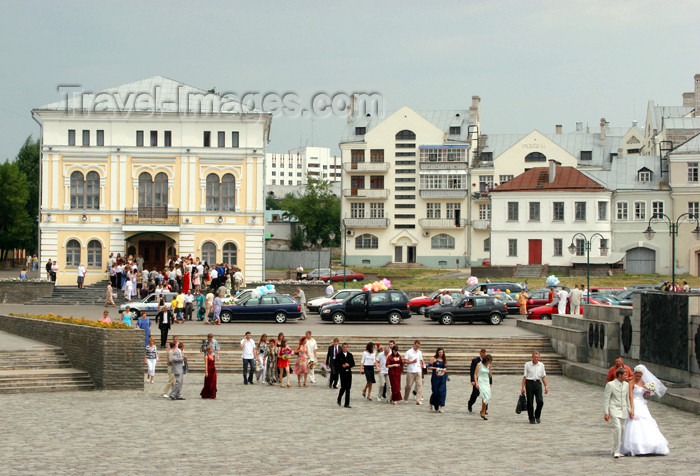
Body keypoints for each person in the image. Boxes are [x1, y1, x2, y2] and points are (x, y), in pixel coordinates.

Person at [620, 365, 669, 456]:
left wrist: (647, 392)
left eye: (640, 376)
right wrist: (632, 409)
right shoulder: (631, 383)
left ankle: (651, 445)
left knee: (647, 422)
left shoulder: (643, 383)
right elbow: (630, 396)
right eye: (637, 376)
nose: (638, 378)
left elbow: (642, 395)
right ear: (634, 374)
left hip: (642, 404)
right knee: (634, 423)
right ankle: (635, 446)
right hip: (634, 403)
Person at [604, 367, 632, 458]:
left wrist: (630, 410)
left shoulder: (627, 385)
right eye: (625, 375)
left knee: (623, 430)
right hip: (614, 409)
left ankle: (618, 448)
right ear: (619, 375)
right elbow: (606, 399)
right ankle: (616, 451)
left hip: (623, 410)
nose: (627, 376)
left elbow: (627, 399)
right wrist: (606, 412)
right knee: (618, 428)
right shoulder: (610, 385)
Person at [522, 351, 549, 424]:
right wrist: (523, 387)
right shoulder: (527, 365)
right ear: (532, 357)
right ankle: (531, 418)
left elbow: (543, 376)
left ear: (539, 357)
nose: (536, 359)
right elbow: (525, 376)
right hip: (529, 383)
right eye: (534, 357)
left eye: (537, 357)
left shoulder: (541, 365)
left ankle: (537, 415)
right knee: (530, 402)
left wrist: (546, 386)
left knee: (540, 401)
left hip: (537, 383)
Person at [427, 348, 448, 413]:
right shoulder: (434, 358)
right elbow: (428, 366)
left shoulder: (444, 359)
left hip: (442, 377)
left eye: (442, 352)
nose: (441, 354)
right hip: (435, 377)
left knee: (441, 391)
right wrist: (436, 368)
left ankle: (440, 406)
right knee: (435, 391)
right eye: (439, 352)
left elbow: (445, 367)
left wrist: (444, 369)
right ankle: (431, 403)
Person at [403, 340, 424, 405]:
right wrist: (412, 361)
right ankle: (406, 397)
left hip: (418, 370)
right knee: (408, 386)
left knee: (419, 386)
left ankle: (418, 400)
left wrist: (421, 370)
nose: (417, 347)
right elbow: (405, 361)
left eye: (419, 346)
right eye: (416, 346)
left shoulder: (420, 352)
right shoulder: (409, 352)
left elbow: (421, 361)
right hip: (411, 371)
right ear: (414, 345)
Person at [335, 343, 355, 408]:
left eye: (346, 347)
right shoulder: (339, 355)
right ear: (342, 347)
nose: (345, 348)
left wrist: (349, 365)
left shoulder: (350, 355)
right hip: (342, 372)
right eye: (344, 347)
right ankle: (339, 397)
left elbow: (353, 363)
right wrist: (342, 366)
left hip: (348, 372)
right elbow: (336, 364)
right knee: (343, 387)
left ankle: (347, 403)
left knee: (348, 388)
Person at [468, 348, 487, 412]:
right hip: (477, 379)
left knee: (485, 394)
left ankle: (484, 410)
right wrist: (472, 380)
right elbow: (472, 371)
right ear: (480, 354)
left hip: (484, 380)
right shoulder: (475, 361)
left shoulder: (487, 361)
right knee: (475, 393)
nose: (483, 356)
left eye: (484, 355)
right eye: (482, 355)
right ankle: (470, 404)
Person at [475, 354, 493, 420]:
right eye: (489, 361)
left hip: (486, 381)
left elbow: (490, 375)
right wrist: (476, 383)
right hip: (481, 380)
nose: (489, 362)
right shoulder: (479, 365)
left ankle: (483, 411)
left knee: (487, 396)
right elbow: (475, 374)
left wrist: (490, 368)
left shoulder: (488, 366)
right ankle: (483, 413)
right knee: (484, 395)